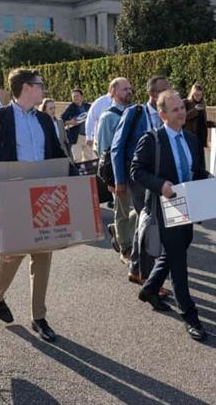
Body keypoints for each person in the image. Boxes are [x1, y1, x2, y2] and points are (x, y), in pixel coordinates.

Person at [0, 68, 68, 343]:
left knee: (43, 254)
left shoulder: (45, 120)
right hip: (12, 195)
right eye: (40, 85)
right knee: (13, 253)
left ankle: (39, 317)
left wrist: (79, 182)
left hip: (44, 194)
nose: (43, 89)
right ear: (26, 87)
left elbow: (58, 154)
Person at [131, 90, 210, 341]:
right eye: (175, 110)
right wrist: (160, 185)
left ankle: (150, 289)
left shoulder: (191, 139)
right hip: (164, 208)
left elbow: (197, 170)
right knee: (178, 261)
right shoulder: (152, 139)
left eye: (182, 108)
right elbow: (136, 170)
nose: (182, 112)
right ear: (162, 114)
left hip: (187, 205)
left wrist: (211, 183)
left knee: (180, 246)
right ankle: (190, 316)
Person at [111, 75, 171, 287]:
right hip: (136, 175)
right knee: (149, 220)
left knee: (145, 221)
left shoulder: (167, 115)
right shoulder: (135, 113)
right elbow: (117, 147)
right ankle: (146, 274)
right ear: (152, 94)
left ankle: (137, 269)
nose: (169, 93)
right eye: (164, 90)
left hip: (157, 177)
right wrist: (119, 180)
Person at [95, 77, 135, 262]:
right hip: (118, 173)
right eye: (125, 89)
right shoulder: (108, 117)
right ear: (113, 92)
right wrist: (111, 180)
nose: (129, 91)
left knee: (143, 208)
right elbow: (104, 152)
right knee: (122, 210)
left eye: (130, 88)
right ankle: (125, 249)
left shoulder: (134, 112)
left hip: (135, 171)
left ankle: (118, 231)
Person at [183, 83, 215, 162]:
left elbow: (201, 121)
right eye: (196, 94)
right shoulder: (186, 102)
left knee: (200, 162)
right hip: (190, 137)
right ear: (192, 94)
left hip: (201, 138)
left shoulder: (202, 104)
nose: (198, 97)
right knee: (191, 160)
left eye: (200, 95)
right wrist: (195, 110)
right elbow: (182, 118)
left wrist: (213, 124)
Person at [61, 88, 93, 161]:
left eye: (77, 96)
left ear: (82, 96)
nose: (75, 98)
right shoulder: (70, 107)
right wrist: (70, 122)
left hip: (88, 136)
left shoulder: (88, 106)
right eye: (74, 96)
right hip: (76, 137)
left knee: (89, 158)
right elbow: (61, 120)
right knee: (77, 159)